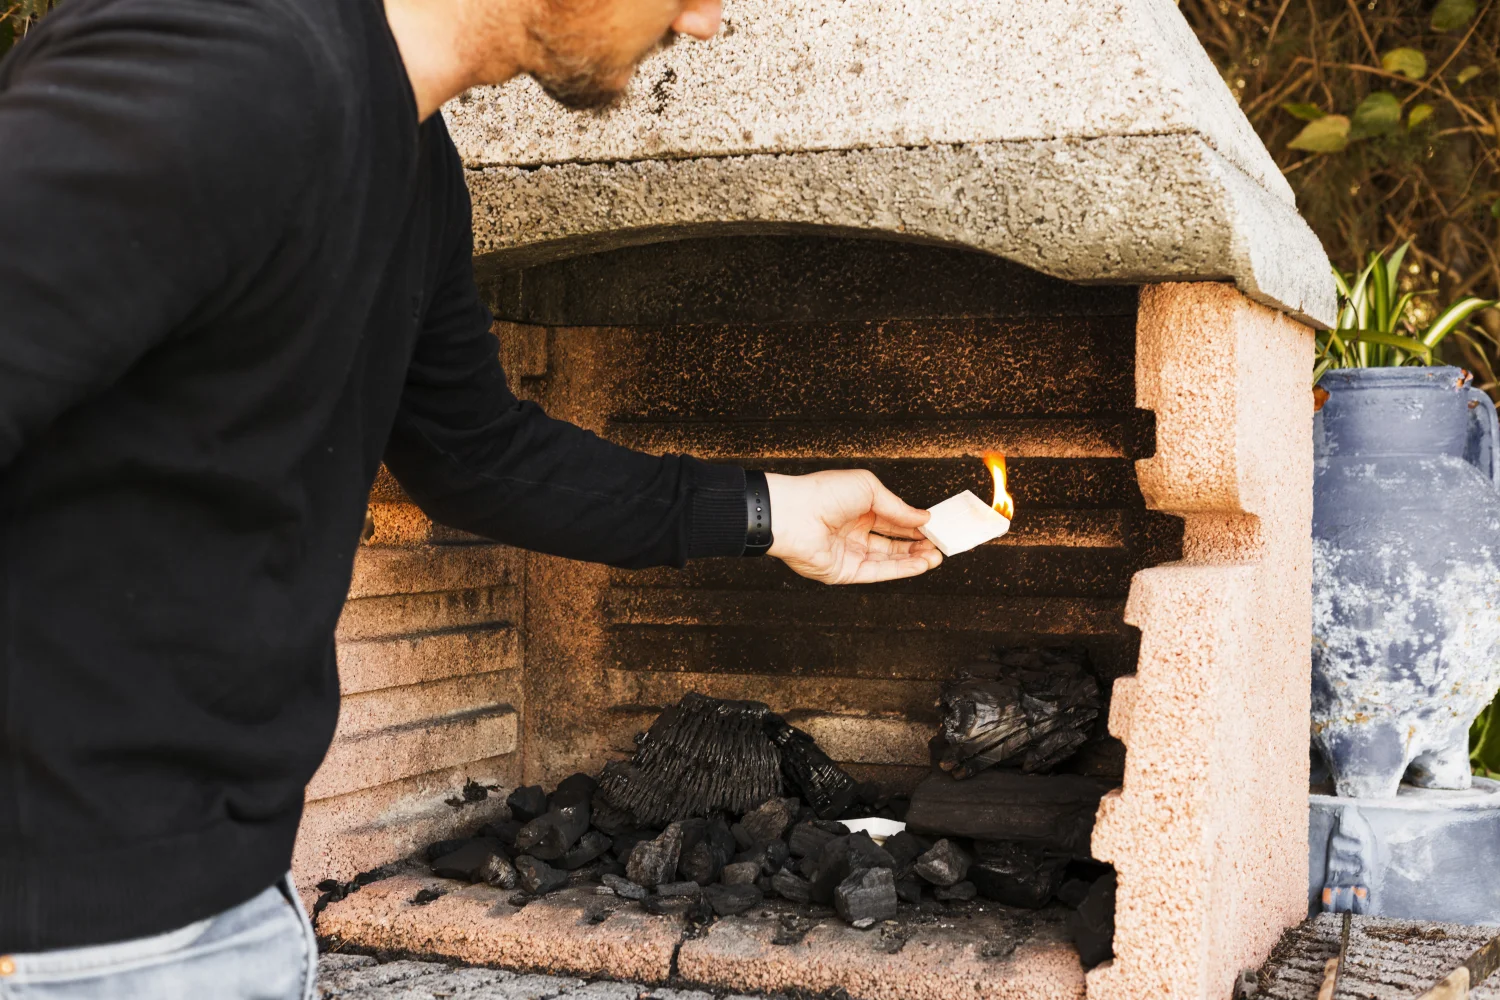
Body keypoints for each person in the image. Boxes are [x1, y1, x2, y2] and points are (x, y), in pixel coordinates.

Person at [0, 0, 943, 994]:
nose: (704, 20)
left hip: (217, 900)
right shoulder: (236, 64)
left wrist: (773, 512)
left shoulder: (405, 146)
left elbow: (476, 451)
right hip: (60, 928)